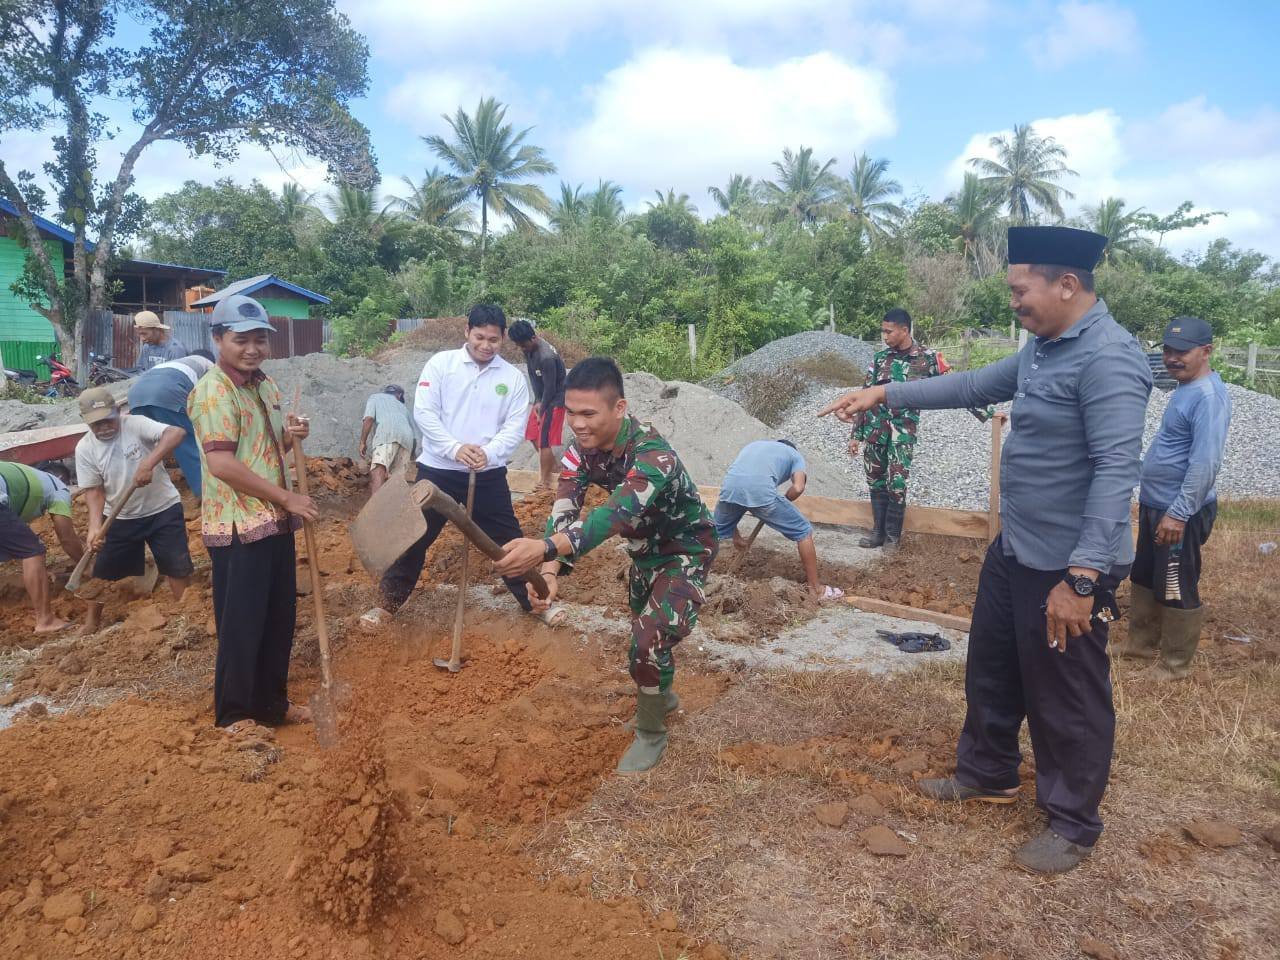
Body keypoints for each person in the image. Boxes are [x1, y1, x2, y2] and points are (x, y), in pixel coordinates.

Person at [819, 226, 1152, 873]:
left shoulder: (1107, 357)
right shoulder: (1041, 349)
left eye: (1019, 289)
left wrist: (1081, 580)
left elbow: (1117, 471)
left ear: (1067, 284)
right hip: (1018, 549)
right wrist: (884, 393)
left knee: (1068, 694)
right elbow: (970, 387)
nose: (1014, 302)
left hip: (1068, 562)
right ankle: (988, 774)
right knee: (993, 668)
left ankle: (1073, 823)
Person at [495, 357, 718, 774]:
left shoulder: (654, 455)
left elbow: (611, 517)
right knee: (647, 638)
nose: (577, 424)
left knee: (647, 639)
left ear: (619, 409)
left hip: (685, 551)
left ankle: (652, 733)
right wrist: (548, 574)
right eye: (570, 412)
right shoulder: (583, 453)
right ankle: (662, 694)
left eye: (588, 413)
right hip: (643, 552)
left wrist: (544, 549)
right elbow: (565, 506)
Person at [187, 294, 318, 735]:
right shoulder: (213, 392)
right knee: (242, 623)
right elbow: (222, 464)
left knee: (278, 618)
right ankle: (235, 716)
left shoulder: (264, 385)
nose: (253, 348)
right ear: (219, 338)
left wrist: (292, 435)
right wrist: (285, 498)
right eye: (241, 340)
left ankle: (271, 705)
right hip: (239, 526)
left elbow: (263, 450)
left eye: (260, 339)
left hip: (273, 522)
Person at [377, 304, 536, 616]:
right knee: (414, 536)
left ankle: (533, 602)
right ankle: (387, 605)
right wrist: (454, 448)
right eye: (479, 337)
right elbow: (424, 413)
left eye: (493, 339)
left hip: (487, 473)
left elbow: (515, 426)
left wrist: (487, 453)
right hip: (438, 470)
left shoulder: (513, 379)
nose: (485, 345)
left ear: (503, 337)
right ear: (467, 332)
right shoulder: (441, 364)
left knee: (507, 541)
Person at [1115, 316, 1231, 680]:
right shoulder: (1186, 387)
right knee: (1146, 573)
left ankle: (1175, 664)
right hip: (1157, 504)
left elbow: (1205, 463)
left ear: (1206, 351)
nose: (1171, 358)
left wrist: (1179, 514)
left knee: (1176, 581)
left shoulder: (1209, 397)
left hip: (1180, 511)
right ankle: (1140, 644)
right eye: (1167, 350)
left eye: (1182, 352)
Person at [848, 308, 994, 548]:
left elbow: (956, 387)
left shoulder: (928, 358)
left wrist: (987, 412)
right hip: (875, 431)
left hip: (902, 433)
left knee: (896, 484)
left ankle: (892, 539)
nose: (884, 336)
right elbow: (864, 397)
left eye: (889, 331)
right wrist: (855, 435)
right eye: (882, 331)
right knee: (875, 481)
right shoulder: (880, 359)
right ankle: (878, 534)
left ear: (904, 330)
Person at [73, 387, 193, 634]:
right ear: (86, 422)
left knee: (176, 565)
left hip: (163, 509)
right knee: (104, 571)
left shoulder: (136, 424)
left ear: (118, 412)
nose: (104, 427)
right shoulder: (85, 448)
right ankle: (91, 622)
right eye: (96, 424)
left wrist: (148, 462)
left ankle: (186, 616)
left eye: (108, 419)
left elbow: (176, 432)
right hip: (121, 516)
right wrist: (95, 526)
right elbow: (94, 491)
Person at [714, 439, 843, 600]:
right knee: (803, 530)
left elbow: (741, 485)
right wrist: (786, 499)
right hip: (761, 491)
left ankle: (694, 580)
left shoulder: (754, 445)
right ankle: (816, 590)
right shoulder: (795, 455)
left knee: (713, 533)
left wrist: (736, 537)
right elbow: (798, 487)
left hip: (729, 488)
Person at [0, 461, 83, 633]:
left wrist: (40, 572)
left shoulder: (22, 482)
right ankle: (45, 620)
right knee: (33, 551)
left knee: (26, 547)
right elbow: (66, 537)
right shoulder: (58, 486)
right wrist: (86, 564)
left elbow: (12, 540)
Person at [127, 350, 216, 498]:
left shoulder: (177, 364)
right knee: (188, 445)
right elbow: (209, 400)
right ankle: (207, 496)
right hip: (166, 394)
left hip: (136, 395)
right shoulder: (210, 365)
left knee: (145, 448)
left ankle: (147, 494)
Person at [509, 319, 567, 490]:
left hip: (555, 399)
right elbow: (535, 379)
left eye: (523, 345)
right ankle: (554, 469)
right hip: (542, 398)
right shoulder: (529, 350)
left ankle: (545, 481)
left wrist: (543, 407)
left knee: (544, 440)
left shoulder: (546, 357)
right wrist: (536, 401)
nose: (522, 348)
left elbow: (550, 387)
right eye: (519, 345)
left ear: (533, 338)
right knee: (533, 435)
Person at [359, 384, 416, 495]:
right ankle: (393, 510)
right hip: (407, 440)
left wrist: (362, 442)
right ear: (399, 395)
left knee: (378, 470)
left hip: (387, 434)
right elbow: (414, 437)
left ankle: (376, 508)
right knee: (397, 479)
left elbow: (369, 418)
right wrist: (412, 455)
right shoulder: (403, 407)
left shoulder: (375, 397)